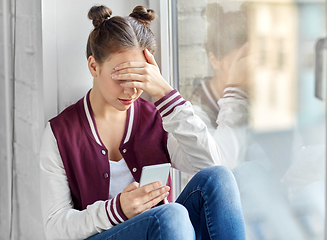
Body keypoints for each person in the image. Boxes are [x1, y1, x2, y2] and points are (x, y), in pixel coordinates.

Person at [39, 5, 246, 240]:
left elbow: (210, 163)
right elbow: (55, 229)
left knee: (219, 178)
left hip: (163, 230)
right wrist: (117, 210)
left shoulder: (158, 118)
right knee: (171, 214)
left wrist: (166, 94)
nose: (131, 89)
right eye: (122, 76)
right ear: (94, 66)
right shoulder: (59, 133)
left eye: (140, 77)